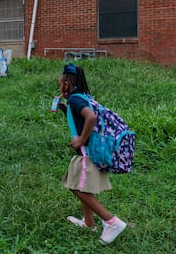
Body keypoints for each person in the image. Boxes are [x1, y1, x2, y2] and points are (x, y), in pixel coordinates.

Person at [56, 63, 127, 245]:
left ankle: (111, 222)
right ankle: (89, 223)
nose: (58, 80)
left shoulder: (75, 99)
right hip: (87, 150)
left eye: (61, 78)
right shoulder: (82, 96)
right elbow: (82, 117)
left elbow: (91, 117)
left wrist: (80, 139)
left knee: (76, 187)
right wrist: (65, 110)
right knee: (82, 187)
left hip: (85, 152)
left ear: (67, 81)